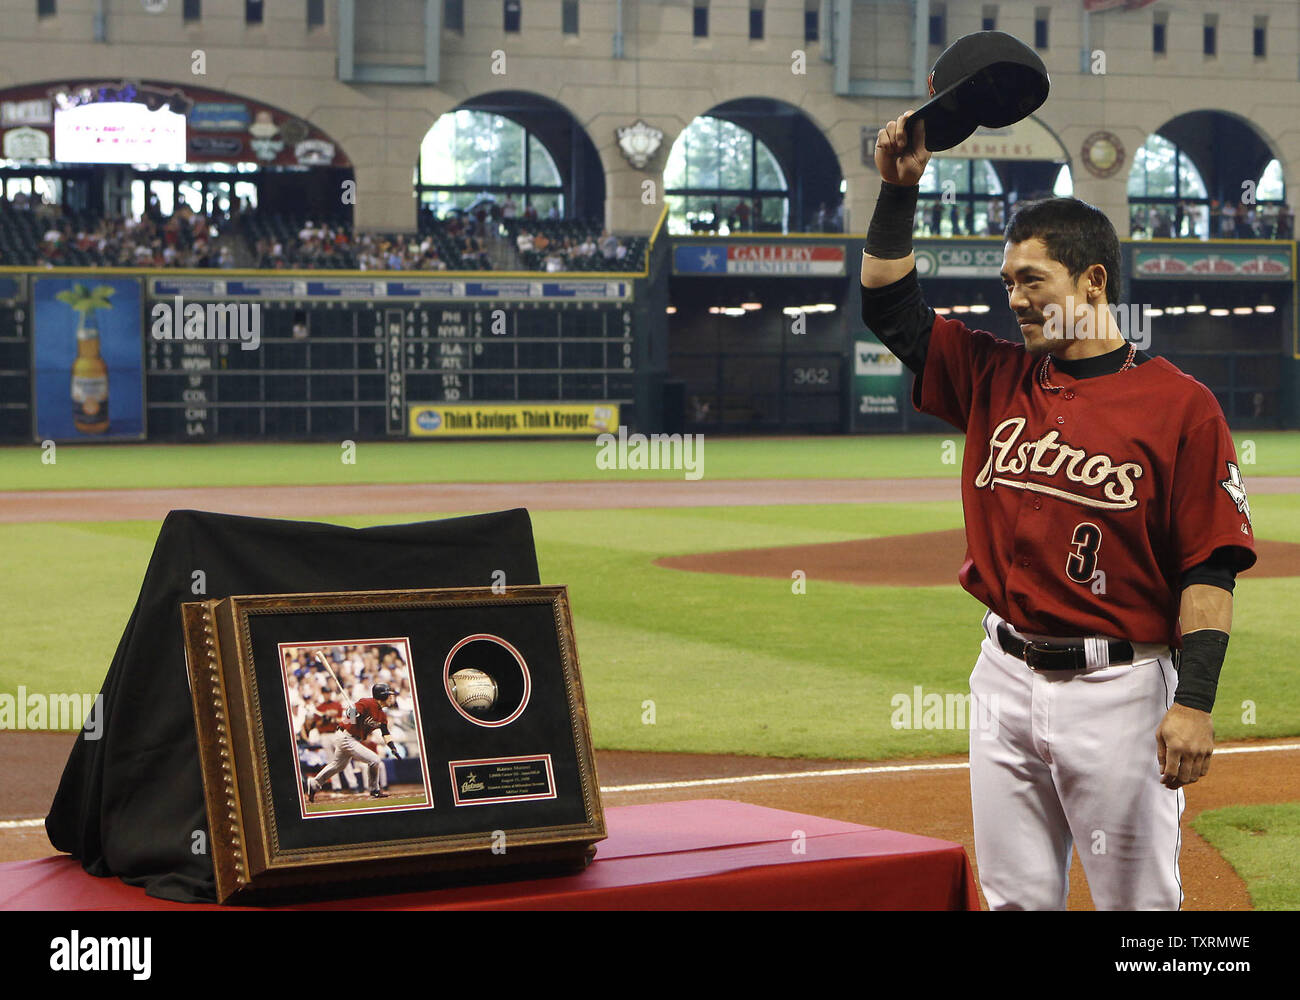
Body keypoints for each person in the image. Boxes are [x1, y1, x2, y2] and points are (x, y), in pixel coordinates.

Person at [861, 109, 1256, 911]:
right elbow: (891, 309)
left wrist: (1197, 702)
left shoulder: (1181, 406)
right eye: (1007, 282)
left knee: (1137, 908)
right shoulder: (993, 374)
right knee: (1015, 902)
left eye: (1030, 280)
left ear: (1093, 282)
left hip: (1121, 689)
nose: (1014, 298)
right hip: (1003, 676)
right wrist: (897, 191)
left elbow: (1209, 564)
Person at [304, 676, 402, 801]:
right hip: (346, 735)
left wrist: (392, 748)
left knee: (338, 765)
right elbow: (349, 715)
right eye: (389, 695)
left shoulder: (382, 715)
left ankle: (314, 784)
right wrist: (352, 715)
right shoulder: (367, 703)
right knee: (375, 760)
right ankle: (374, 790)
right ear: (381, 696)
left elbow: (385, 733)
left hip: (351, 738)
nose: (391, 697)